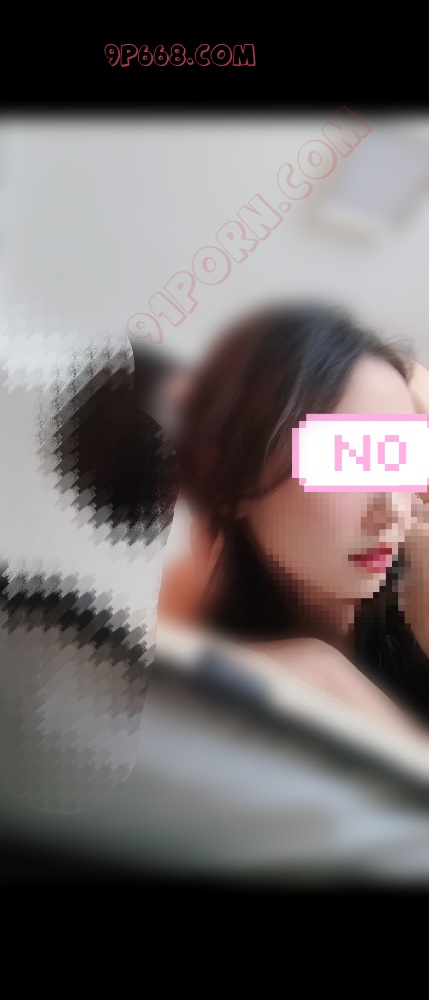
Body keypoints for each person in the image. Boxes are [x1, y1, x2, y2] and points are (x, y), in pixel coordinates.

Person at [158, 304, 429, 733]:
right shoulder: (189, 628)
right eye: (347, 461)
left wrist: (328, 676)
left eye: (402, 459)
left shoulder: (418, 599)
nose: (393, 510)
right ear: (234, 479)